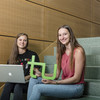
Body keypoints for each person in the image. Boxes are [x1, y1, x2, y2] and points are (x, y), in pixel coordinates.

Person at [27, 25, 86, 100]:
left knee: (38, 88)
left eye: (65, 34)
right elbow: (56, 75)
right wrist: (41, 74)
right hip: (64, 84)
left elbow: (76, 79)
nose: (62, 37)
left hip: (76, 87)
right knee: (33, 79)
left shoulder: (78, 51)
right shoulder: (60, 52)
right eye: (60, 35)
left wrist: (54, 82)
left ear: (70, 35)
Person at [0, 33, 40, 100]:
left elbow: (35, 73)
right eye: (20, 40)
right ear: (16, 41)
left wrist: (25, 78)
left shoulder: (33, 55)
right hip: (14, 82)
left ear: (27, 42)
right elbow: (9, 73)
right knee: (7, 84)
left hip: (27, 82)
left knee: (18, 86)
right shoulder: (12, 57)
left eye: (25, 40)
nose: (22, 42)